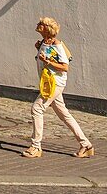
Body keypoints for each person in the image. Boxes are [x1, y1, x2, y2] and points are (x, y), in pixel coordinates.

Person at [22, 16, 94, 158]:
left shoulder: (57, 45)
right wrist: (39, 49)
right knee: (64, 114)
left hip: (55, 83)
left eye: (41, 24)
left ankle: (36, 147)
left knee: (37, 108)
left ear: (47, 29)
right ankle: (86, 145)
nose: (38, 25)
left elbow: (65, 67)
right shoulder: (44, 42)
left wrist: (46, 61)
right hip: (49, 82)